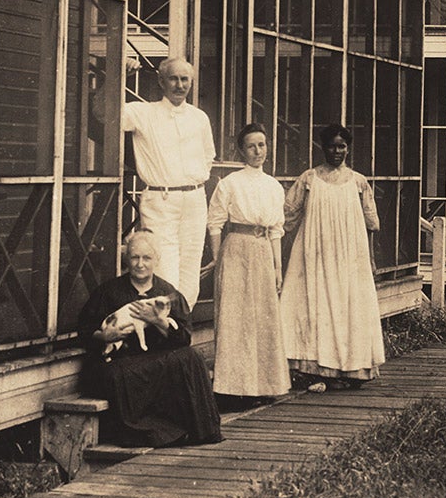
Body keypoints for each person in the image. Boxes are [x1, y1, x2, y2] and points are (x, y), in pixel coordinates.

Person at [77, 231, 221, 447]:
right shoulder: (109, 291)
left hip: (156, 357)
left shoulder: (167, 293)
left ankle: (195, 430)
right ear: (127, 259)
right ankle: (149, 433)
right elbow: (84, 329)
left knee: (191, 357)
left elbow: (183, 337)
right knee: (119, 374)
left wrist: (158, 321)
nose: (140, 264)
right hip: (122, 361)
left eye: (147, 258)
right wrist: (104, 335)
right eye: (135, 257)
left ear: (156, 260)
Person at [280, 123, 385, 386]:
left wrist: (370, 259)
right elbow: (287, 216)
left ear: (348, 148)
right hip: (315, 255)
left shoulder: (359, 182)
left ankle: (351, 369)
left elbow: (370, 225)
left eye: (342, 146)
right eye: (331, 146)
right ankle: (315, 369)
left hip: (350, 256)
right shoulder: (309, 179)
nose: (337, 151)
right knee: (315, 306)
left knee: (348, 307)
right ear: (322, 147)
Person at [122, 57, 215, 309]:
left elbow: (208, 157)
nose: (179, 84)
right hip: (160, 201)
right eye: (173, 78)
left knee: (189, 273)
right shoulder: (144, 112)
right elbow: (104, 113)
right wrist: (119, 75)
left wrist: (191, 185)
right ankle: (162, 334)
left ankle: (179, 332)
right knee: (164, 270)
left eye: (185, 79)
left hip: (194, 200)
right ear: (161, 81)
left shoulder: (199, 118)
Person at [206, 124, 290, 398]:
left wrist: (278, 269)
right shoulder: (229, 183)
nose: (258, 151)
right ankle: (232, 387)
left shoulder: (274, 186)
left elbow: (277, 230)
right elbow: (215, 223)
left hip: (263, 250)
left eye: (262, 145)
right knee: (235, 317)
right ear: (241, 150)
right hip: (237, 250)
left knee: (263, 317)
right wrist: (218, 258)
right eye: (252, 146)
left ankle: (264, 386)